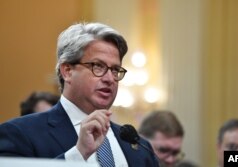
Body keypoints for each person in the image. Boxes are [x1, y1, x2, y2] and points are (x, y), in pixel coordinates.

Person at [0, 22, 159, 167]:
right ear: (67, 71)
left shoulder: (139, 148)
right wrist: (78, 154)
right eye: (98, 66)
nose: (110, 79)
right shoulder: (19, 134)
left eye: (115, 70)